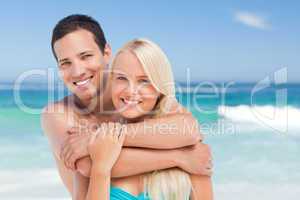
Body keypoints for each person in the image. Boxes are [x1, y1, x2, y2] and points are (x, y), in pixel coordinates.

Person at [41, 14, 213, 198]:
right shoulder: (58, 114)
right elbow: (86, 165)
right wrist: (178, 158)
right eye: (65, 63)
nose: (77, 71)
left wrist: (99, 138)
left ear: (106, 53)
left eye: (86, 56)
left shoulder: (140, 102)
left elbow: (189, 130)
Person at [74, 38, 213, 200]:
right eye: (121, 78)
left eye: (144, 81)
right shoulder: (92, 145)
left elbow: (189, 127)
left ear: (160, 87)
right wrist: (101, 169)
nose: (131, 91)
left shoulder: (192, 151)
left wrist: (108, 138)